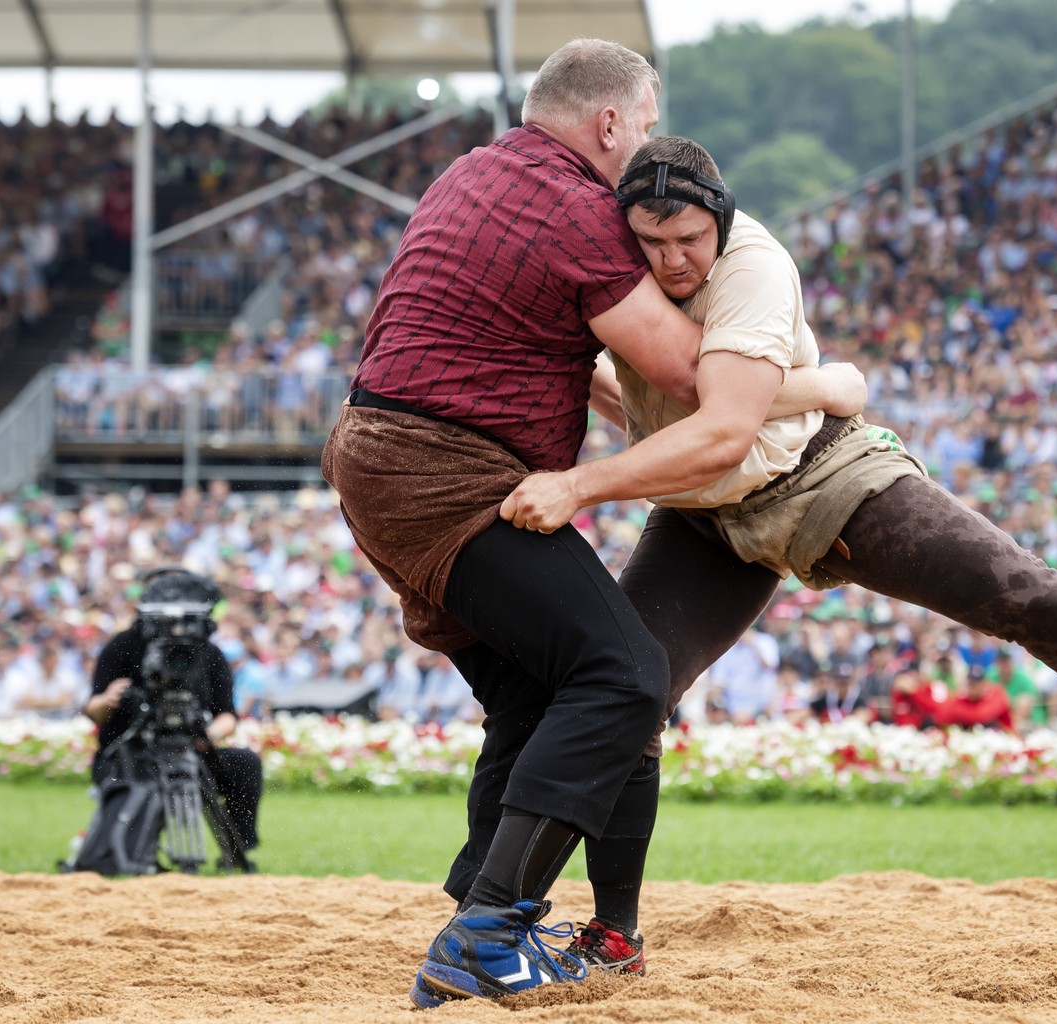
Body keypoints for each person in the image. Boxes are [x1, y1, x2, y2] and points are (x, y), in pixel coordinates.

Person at [497, 136, 1057, 972]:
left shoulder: (754, 267)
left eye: (688, 239)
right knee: (632, 692)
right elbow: (664, 382)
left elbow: (724, 420)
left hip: (822, 476)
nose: (670, 260)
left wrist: (581, 485)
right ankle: (615, 933)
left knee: (1014, 589)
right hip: (706, 517)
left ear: (722, 222)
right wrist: (804, 382)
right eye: (651, 243)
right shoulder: (615, 263)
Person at [319, 40, 861, 1006]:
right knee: (624, 675)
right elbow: (696, 377)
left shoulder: (472, 173)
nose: (643, 148)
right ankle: (488, 929)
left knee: (538, 693)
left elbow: (594, 372)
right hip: (447, 472)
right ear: (610, 123)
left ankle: (475, 918)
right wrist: (829, 383)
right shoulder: (576, 206)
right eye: (644, 127)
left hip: (375, 454)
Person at [81, 568, 263, 863]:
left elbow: (227, 715)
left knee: (244, 765)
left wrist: (208, 737)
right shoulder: (122, 646)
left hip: (191, 752)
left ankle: (237, 851)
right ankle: (138, 856)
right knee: (147, 783)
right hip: (129, 755)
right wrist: (108, 699)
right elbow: (93, 711)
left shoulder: (208, 651)